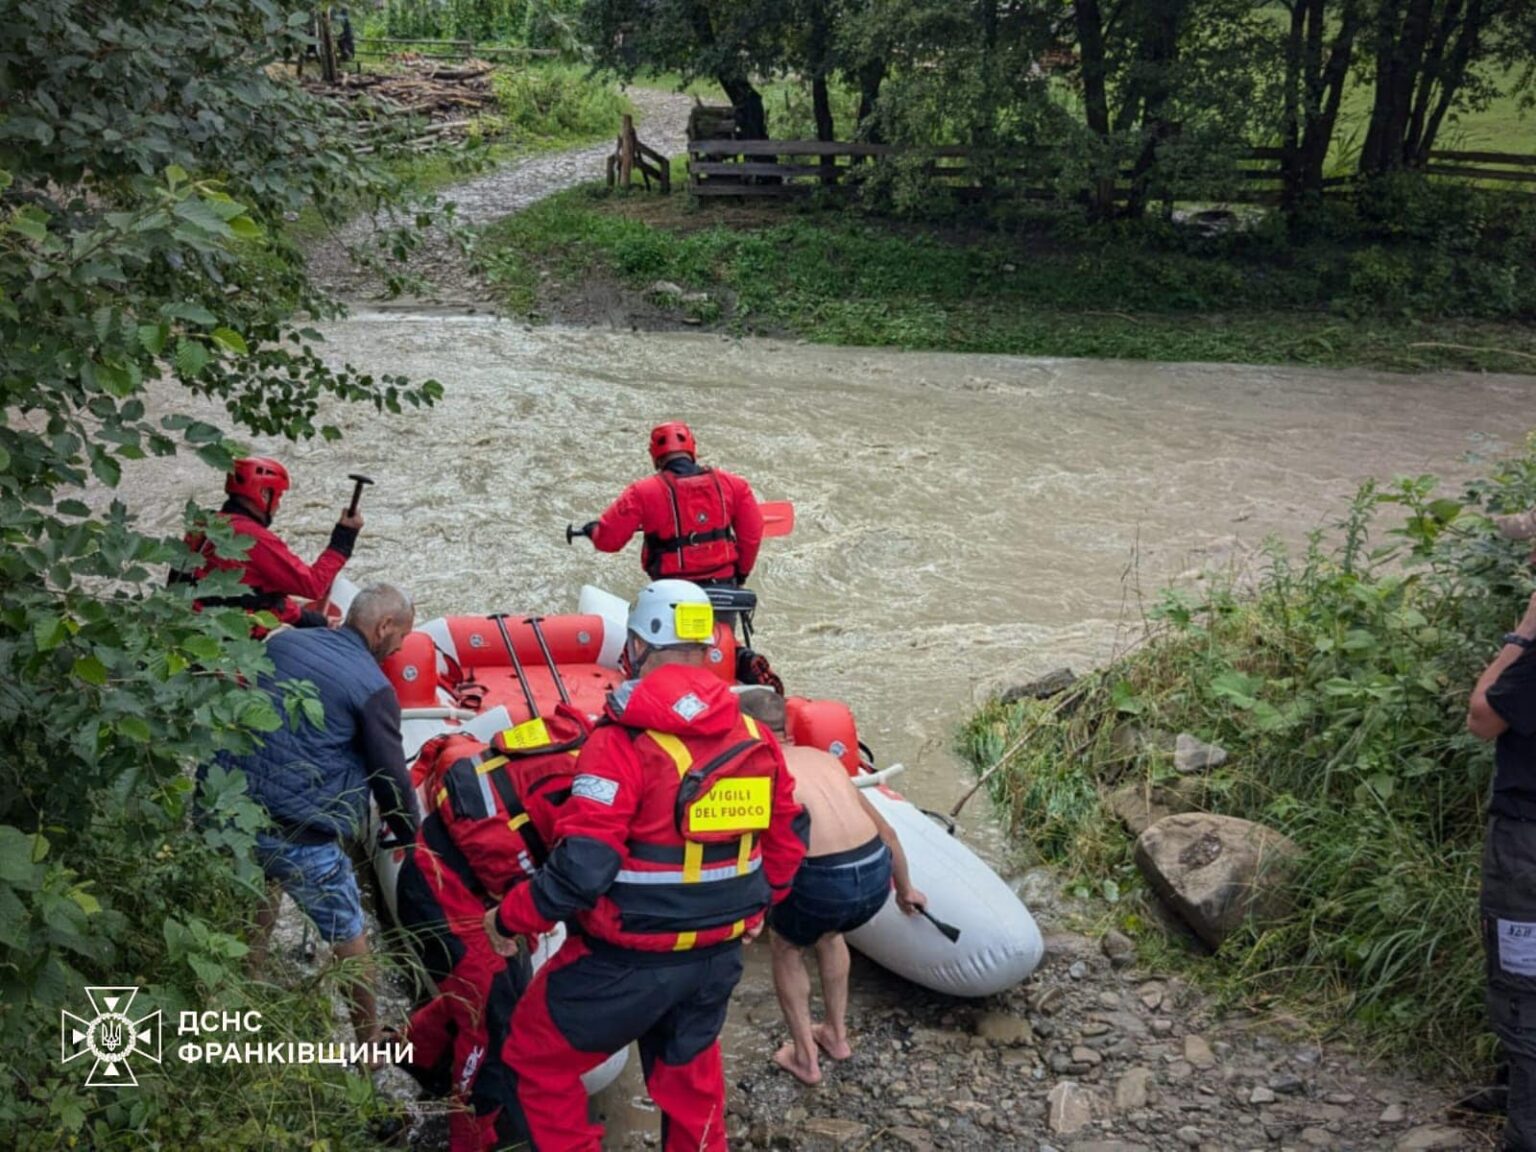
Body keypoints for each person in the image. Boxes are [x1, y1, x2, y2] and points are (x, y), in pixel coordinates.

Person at [483, 579, 807, 1152]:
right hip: (715, 957)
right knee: (692, 1086)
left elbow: (584, 867)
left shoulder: (622, 741)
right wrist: (761, 904)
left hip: (624, 961)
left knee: (534, 1059)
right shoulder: (757, 736)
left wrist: (511, 920)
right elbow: (787, 837)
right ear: (709, 648)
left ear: (636, 646)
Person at [227, 583, 419, 1047]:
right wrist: (413, 838)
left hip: (232, 811)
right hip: (300, 835)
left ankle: (239, 993)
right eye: (400, 637)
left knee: (261, 887)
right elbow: (392, 783)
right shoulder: (374, 688)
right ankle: (370, 1045)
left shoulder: (285, 641)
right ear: (383, 626)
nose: (398, 647)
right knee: (350, 935)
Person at [394, 709, 589, 1151]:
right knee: (491, 1036)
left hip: (469, 886)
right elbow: (583, 877)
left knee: (491, 1002)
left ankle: (412, 1056)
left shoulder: (591, 757)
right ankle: (470, 1137)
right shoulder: (600, 789)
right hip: (445, 897)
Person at [736, 687, 925, 1086]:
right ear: (786, 727)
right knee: (831, 934)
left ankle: (805, 1058)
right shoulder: (825, 759)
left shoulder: (757, 769)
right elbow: (887, 832)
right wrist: (906, 890)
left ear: (742, 728)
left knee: (787, 946)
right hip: (874, 871)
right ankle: (836, 1037)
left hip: (823, 879)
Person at [1468, 588, 1536, 1151]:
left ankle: (1526, 1130)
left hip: (1528, 844)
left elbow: (1483, 715)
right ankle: (1517, 1088)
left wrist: (1523, 632)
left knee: (1522, 980)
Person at [175, 456, 361, 632]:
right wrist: (344, 538)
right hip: (226, 643)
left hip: (188, 625)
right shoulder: (253, 539)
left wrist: (308, 619)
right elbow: (313, 586)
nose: (278, 506)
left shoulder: (204, 524)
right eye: (278, 497)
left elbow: (257, 595)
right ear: (264, 494)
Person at [575, 422, 764, 588]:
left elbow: (609, 541)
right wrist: (740, 574)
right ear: (692, 450)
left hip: (669, 590)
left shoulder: (642, 492)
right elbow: (752, 534)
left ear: (655, 456)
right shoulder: (735, 485)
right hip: (723, 587)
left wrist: (594, 531)